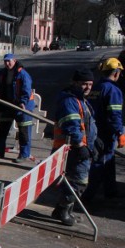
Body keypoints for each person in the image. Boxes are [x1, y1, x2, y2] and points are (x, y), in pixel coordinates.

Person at [50, 68, 97, 226]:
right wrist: (80, 145)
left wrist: (95, 141)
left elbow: (87, 125)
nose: (88, 87)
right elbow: (71, 125)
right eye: (84, 84)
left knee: (74, 181)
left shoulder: (81, 100)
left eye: (90, 84)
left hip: (80, 148)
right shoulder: (70, 101)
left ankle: (62, 210)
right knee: (78, 182)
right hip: (72, 149)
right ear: (75, 83)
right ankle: (63, 210)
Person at [83, 57, 125, 203]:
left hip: (93, 129)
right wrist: (120, 132)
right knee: (101, 162)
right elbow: (114, 114)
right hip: (106, 132)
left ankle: (110, 190)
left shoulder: (95, 87)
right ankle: (88, 195)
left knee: (108, 160)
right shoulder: (113, 90)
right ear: (116, 73)